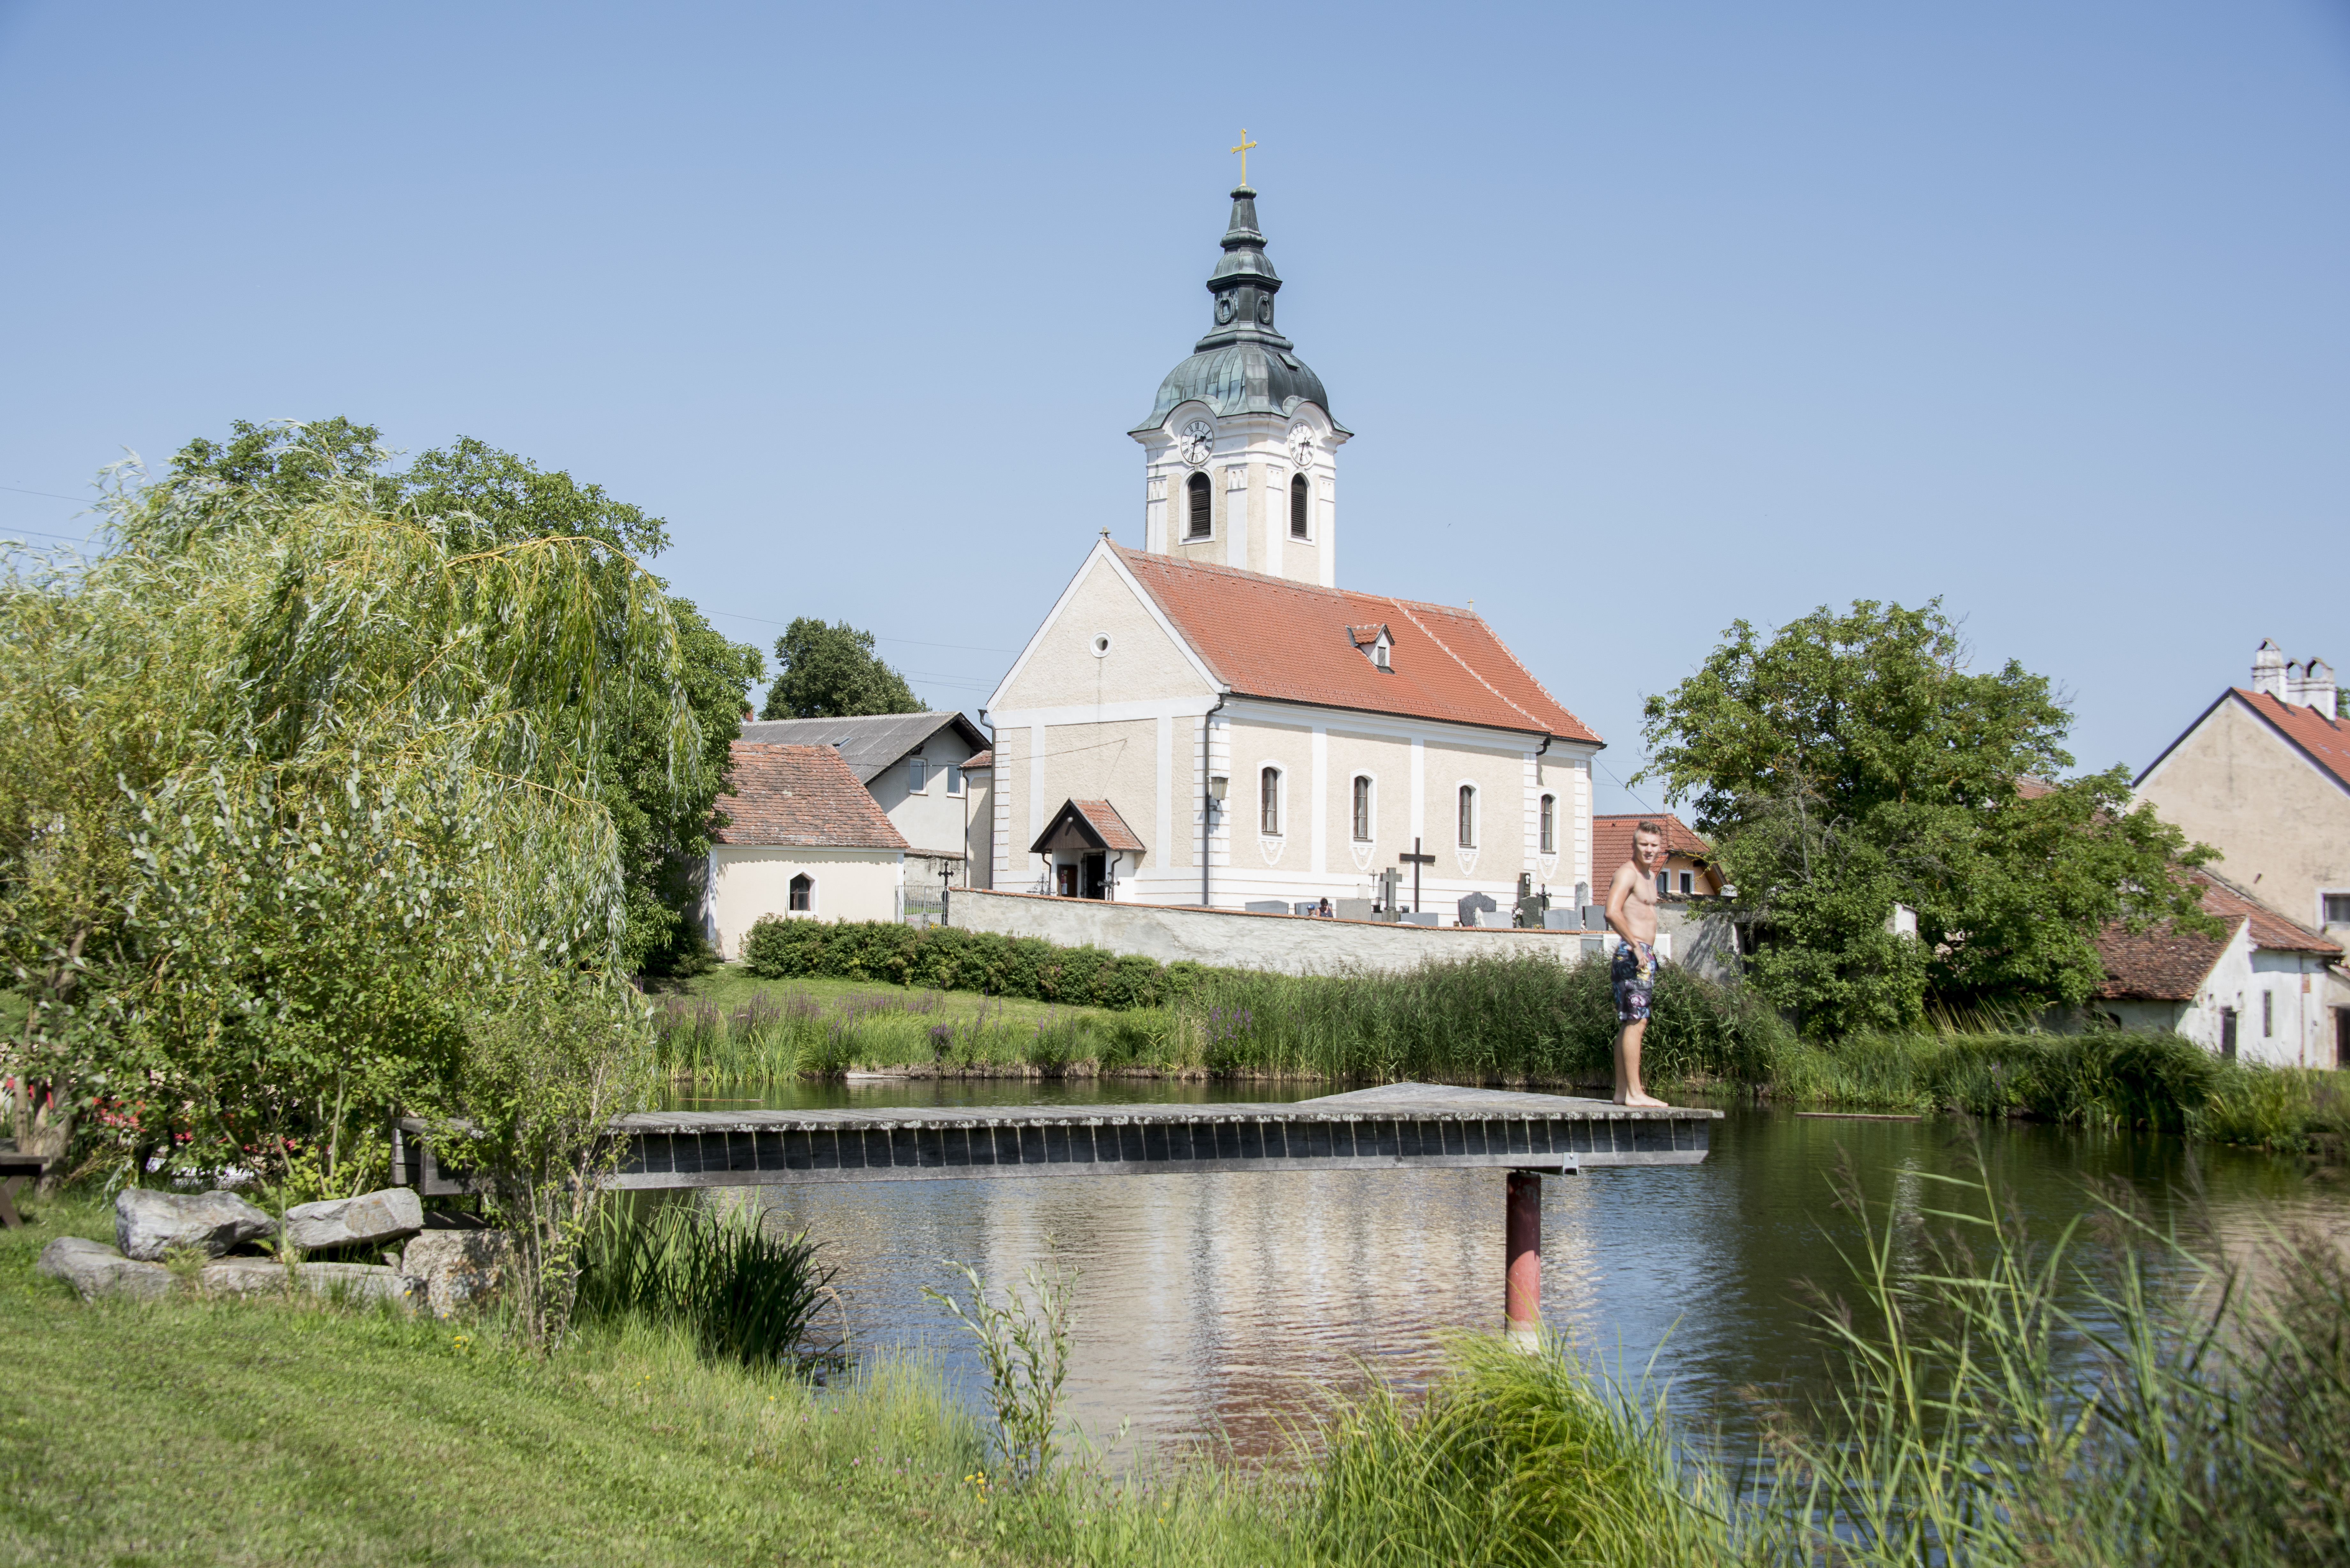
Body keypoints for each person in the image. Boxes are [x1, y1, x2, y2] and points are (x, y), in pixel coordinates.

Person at [1603, 821, 1670, 1107]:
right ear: (1634, 845)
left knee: (1629, 1022)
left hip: (1642, 953)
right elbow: (1611, 912)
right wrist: (1634, 945)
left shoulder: (1650, 875)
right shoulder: (1627, 873)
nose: (1649, 850)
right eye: (1644, 844)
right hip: (1633, 954)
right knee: (1637, 1022)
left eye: (1654, 845)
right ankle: (1635, 1093)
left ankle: (1622, 1093)